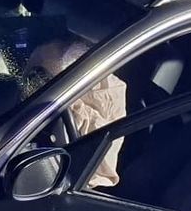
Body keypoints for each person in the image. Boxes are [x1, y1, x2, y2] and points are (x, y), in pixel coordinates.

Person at [23, 36, 127, 188]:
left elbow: (100, 158)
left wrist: (70, 106)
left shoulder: (108, 90)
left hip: (74, 181)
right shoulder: (47, 52)